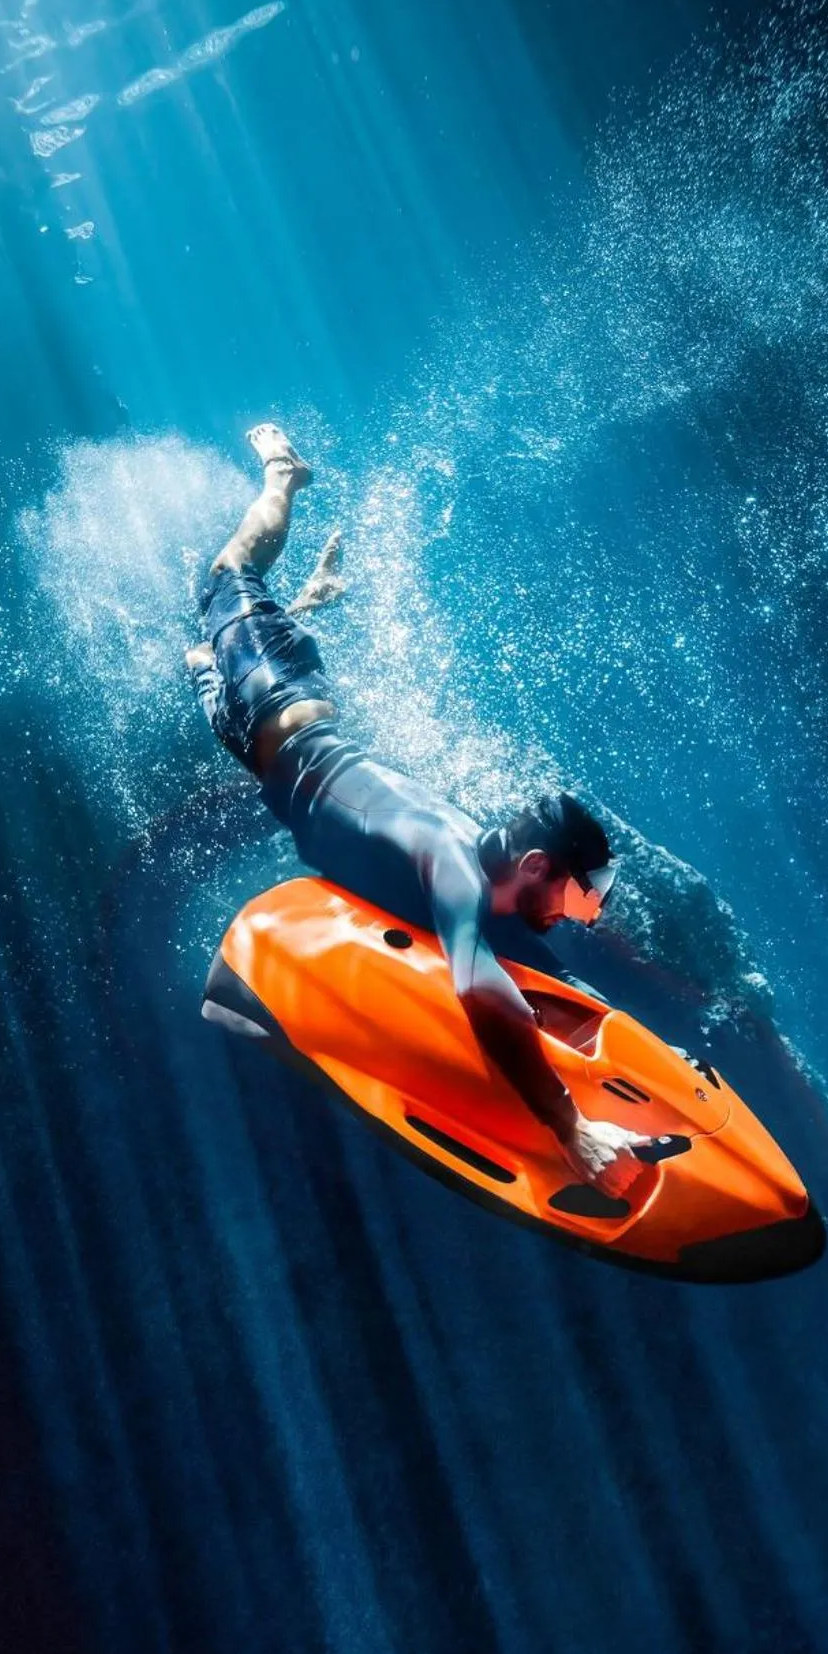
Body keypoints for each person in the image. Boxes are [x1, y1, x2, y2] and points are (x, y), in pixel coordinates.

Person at [187, 423, 650, 1194]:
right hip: (276, 693)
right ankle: (283, 476)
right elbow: (477, 985)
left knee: (204, 664)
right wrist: (569, 1128)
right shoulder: (456, 869)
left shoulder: (483, 877)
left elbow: (515, 969)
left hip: (266, 742)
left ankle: (301, 609)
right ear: (537, 865)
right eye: (585, 891)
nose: (589, 911)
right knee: (228, 574)